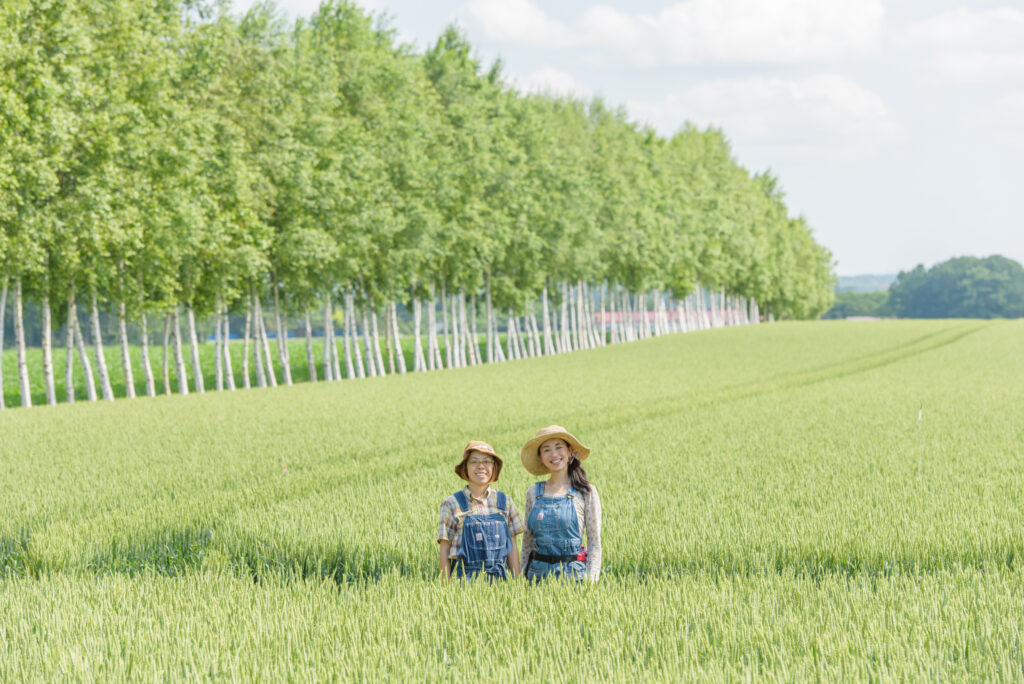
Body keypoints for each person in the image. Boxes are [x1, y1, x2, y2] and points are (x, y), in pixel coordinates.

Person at [519, 425, 602, 582]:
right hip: (536, 575)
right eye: (547, 450)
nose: (554, 454)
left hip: (573, 576)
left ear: (569, 451)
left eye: (559, 447)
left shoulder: (585, 491)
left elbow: (594, 542)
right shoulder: (533, 492)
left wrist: (591, 581)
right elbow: (527, 542)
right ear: (541, 457)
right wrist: (522, 578)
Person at [437, 441, 525, 580]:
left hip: (500, 580)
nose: (481, 466)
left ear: (494, 467)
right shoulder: (451, 503)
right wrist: (443, 588)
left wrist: (518, 581)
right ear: (466, 467)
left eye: (486, 461)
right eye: (474, 461)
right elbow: (445, 548)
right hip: (464, 582)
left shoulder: (505, 501)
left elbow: (512, 546)